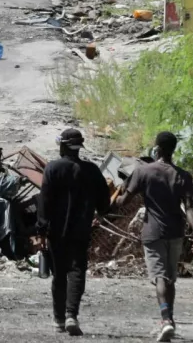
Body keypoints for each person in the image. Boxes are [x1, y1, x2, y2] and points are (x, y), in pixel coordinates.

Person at [114, 131, 193, 342]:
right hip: (176, 232)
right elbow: (190, 208)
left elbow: (124, 202)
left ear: (158, 149)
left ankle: (165, 320)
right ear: (173, 149)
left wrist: (116, 197)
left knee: (159, 277)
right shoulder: (183, 176)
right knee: (170, 278)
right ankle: (169, 319)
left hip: (153, 233)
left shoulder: (143, 171)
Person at [37, 129, 111, 337]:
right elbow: (104, 203)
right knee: (77, 271)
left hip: (56, 232)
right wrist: (98, 213)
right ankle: (71, 315)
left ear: (62, 146)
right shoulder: (92, 170)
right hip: (81, 231)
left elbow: (44, 202)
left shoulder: (52, 168)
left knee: (59, 274)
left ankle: (59, 319)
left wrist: (41, 229)